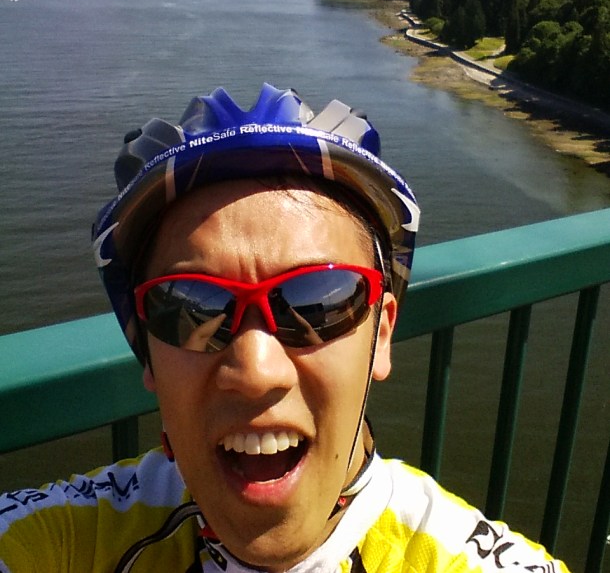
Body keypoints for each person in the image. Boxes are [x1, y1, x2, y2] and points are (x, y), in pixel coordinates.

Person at [0, 84, 569, 572]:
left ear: (383, 334)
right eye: (189, 307)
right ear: (147, 352)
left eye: (319, 301)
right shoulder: (69, 541)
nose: (255, 371)